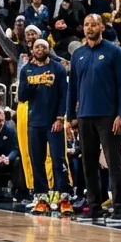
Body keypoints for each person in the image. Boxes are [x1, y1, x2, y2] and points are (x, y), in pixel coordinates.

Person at [66, 13, 121, 224]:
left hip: (108, 116)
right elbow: (72, 88)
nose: (89, 28)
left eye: (93, 24)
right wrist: (70, 116)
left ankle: (119, 207)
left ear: (101, 27)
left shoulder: (114, 51)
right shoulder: (78, 54)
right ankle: (93, 207)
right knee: (88, 164)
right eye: (86, 24)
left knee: (113, 161)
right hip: (84, 116)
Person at [16, 39, 72, 214]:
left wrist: (59, 118)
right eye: (37, 47)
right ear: (32, 50)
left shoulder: (58, 68)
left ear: (49, 49)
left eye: (43, 47)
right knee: (37, 162)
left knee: (58, 160)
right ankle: (41, 198)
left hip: (53, 122)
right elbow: (22, 97)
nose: (40, 49)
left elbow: (65, 94)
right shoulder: (26, 70)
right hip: (34, 122)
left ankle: (63, 197)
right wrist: (31, 84)